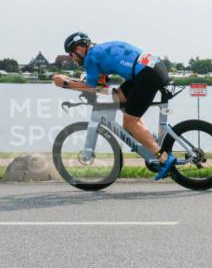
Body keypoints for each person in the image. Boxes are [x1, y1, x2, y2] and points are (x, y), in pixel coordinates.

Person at [52, 32, 177, 179]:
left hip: (146, 74)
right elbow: (101, 85)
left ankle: (163, 158)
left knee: (130, 122)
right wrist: (76, 82)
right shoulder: (98, 51)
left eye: (71, 55)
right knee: (117, 98)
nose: (72, 59)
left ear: (79, 49)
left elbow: (91, 87)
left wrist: (65, 84)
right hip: (151, 67)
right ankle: (149, 138)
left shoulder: (90, 58)